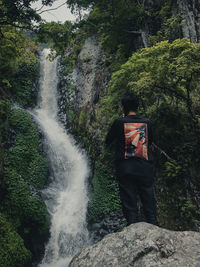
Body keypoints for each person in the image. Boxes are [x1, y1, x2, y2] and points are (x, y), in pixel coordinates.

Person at [105, 93, 158, 226]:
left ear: (123, 107)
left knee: (130, 206)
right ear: (138, 107)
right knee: (149, 204)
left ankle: (133, 233)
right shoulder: (147, 122)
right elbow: (150, 141)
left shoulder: (119, 122)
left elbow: (108, 141)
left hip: (126, 169)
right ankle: (156, 233)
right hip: (145, 168)